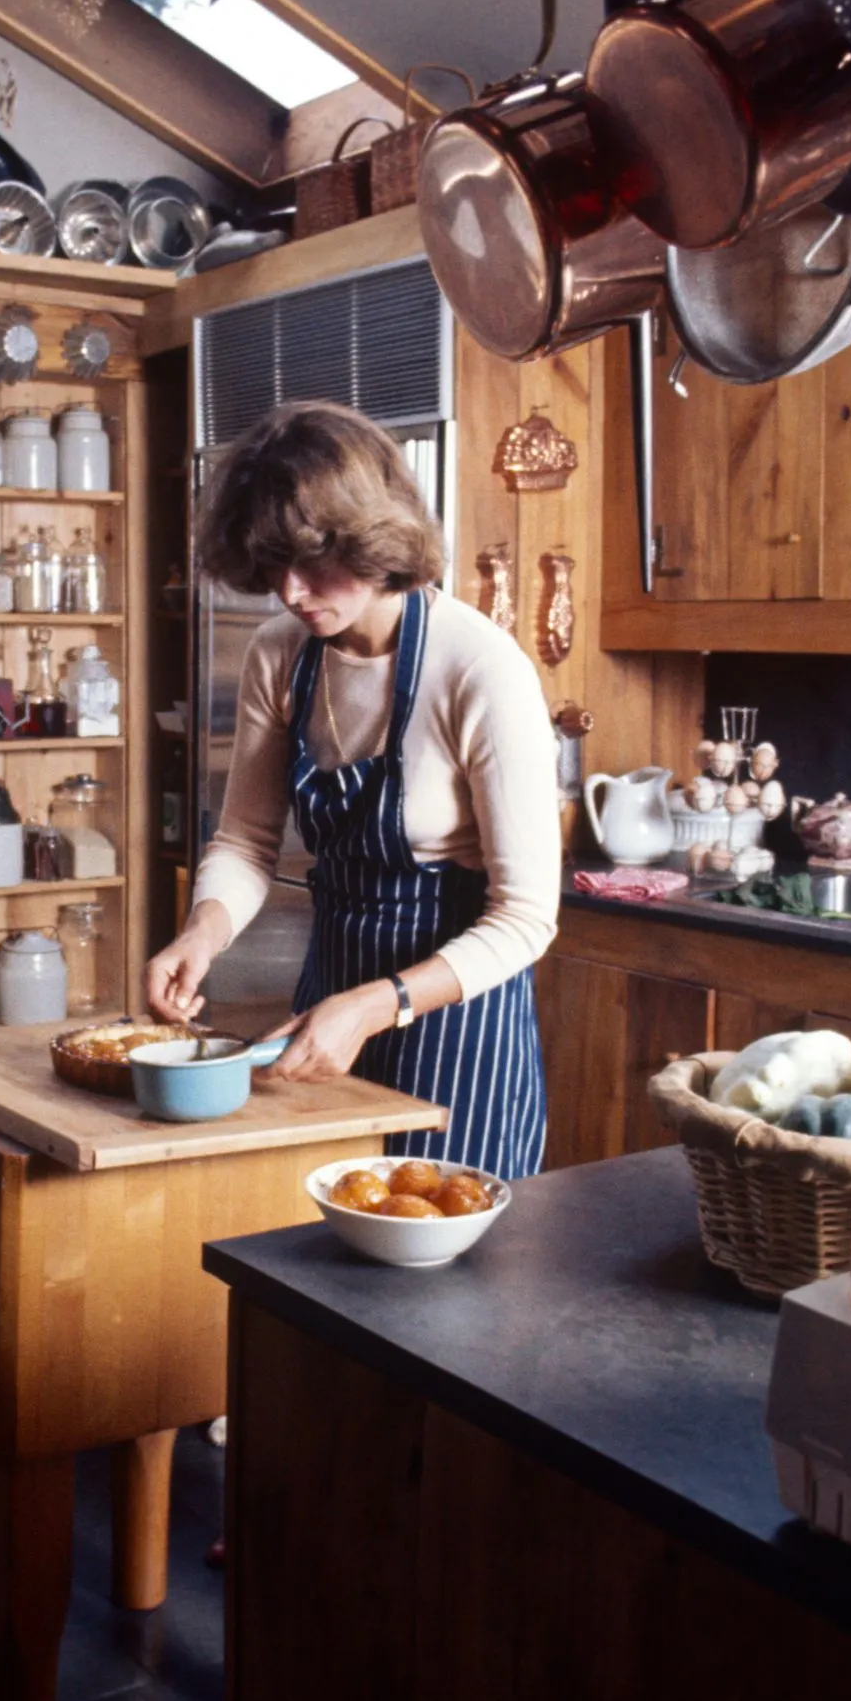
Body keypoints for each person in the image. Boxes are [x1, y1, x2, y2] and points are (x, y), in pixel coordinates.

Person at [146, 401, 560, 1181]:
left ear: (373, 537)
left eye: (312, 560)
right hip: (327, 995)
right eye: (271, 568)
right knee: (307, 1249)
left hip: (454, 1021)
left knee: (433, 1269)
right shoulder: (282, 655)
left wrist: (376, 1007)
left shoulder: (478, 669)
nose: (293, 592)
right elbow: (246, 840)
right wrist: (202, 934)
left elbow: (528, 918)